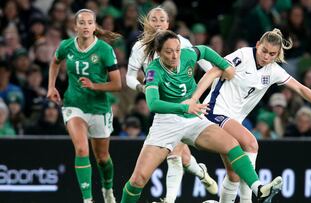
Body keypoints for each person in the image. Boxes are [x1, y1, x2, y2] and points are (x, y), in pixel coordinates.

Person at [120, 29, 283, 203]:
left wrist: (224, 65)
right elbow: (153, 104)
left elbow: (204, 50)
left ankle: (258, 188)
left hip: (194, 119)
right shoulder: (154, 70)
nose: (175, 55)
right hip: (167, 123)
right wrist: (183, 107)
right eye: (169, 51)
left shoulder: (187, 55)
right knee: (138, 180)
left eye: (177, 50)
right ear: (159, 53)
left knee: (232, 144)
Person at [190, 28, 311, 203]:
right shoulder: (243, 55)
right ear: (257, 45)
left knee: (234, 174)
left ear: (276, 55)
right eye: (264, 51)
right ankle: (251, 198)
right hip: (215, 111)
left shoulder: (273, 70)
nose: (266, 57)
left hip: (233, 119)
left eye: (272, 54)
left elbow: (300, 87)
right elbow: (214, 71)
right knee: (251, 143)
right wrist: (195, 99)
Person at [126, 7, 216, 203]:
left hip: (186, 103)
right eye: (154, 19)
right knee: (183, 156)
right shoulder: (140, 47)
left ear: (168, 24)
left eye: (162, 19)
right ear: (147, 23)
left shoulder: (181, 42)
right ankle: (201, 172)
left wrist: (213, 88)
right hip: (162, 105)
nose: (158, 23)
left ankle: (169, 199)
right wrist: (143, 88)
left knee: (174, 153)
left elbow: (207, 66)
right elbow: (129, 78)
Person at [47, 9, 121, 203]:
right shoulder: (66, 46)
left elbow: (117, 84)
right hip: (74, 104)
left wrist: (94, 85)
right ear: (75, 27)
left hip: (99, 108)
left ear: (94, 26)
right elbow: (55, 62)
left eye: (90, 22)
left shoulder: (104, 50)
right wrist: (51, 86)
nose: (86, 26)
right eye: (82, 23)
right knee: (81, 149)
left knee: (103, 158)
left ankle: (107, 190)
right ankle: (88, 200)